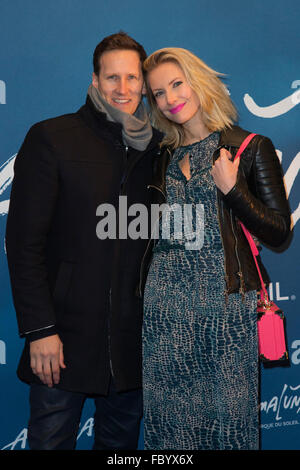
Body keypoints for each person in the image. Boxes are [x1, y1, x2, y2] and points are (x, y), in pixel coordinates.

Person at [5, 32, 162, 450]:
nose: (123, 89)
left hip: (132, 344)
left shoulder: (157, 149)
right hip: (62, 342)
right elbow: (23, 245)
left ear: (144, 85)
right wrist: (40, 330)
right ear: (94, 81)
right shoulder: (52, 138)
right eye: (113, 78)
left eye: (132, 78)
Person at [140, 47, 291, 450]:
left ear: (199, 81)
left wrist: (233, 191)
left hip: (225, 312)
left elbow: (278, 232)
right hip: (164, 312)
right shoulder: (160, 156)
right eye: (158, 93)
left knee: (230, 430)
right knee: (168, 432)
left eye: (177, 84)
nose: (171, 99)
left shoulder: (249, 148)